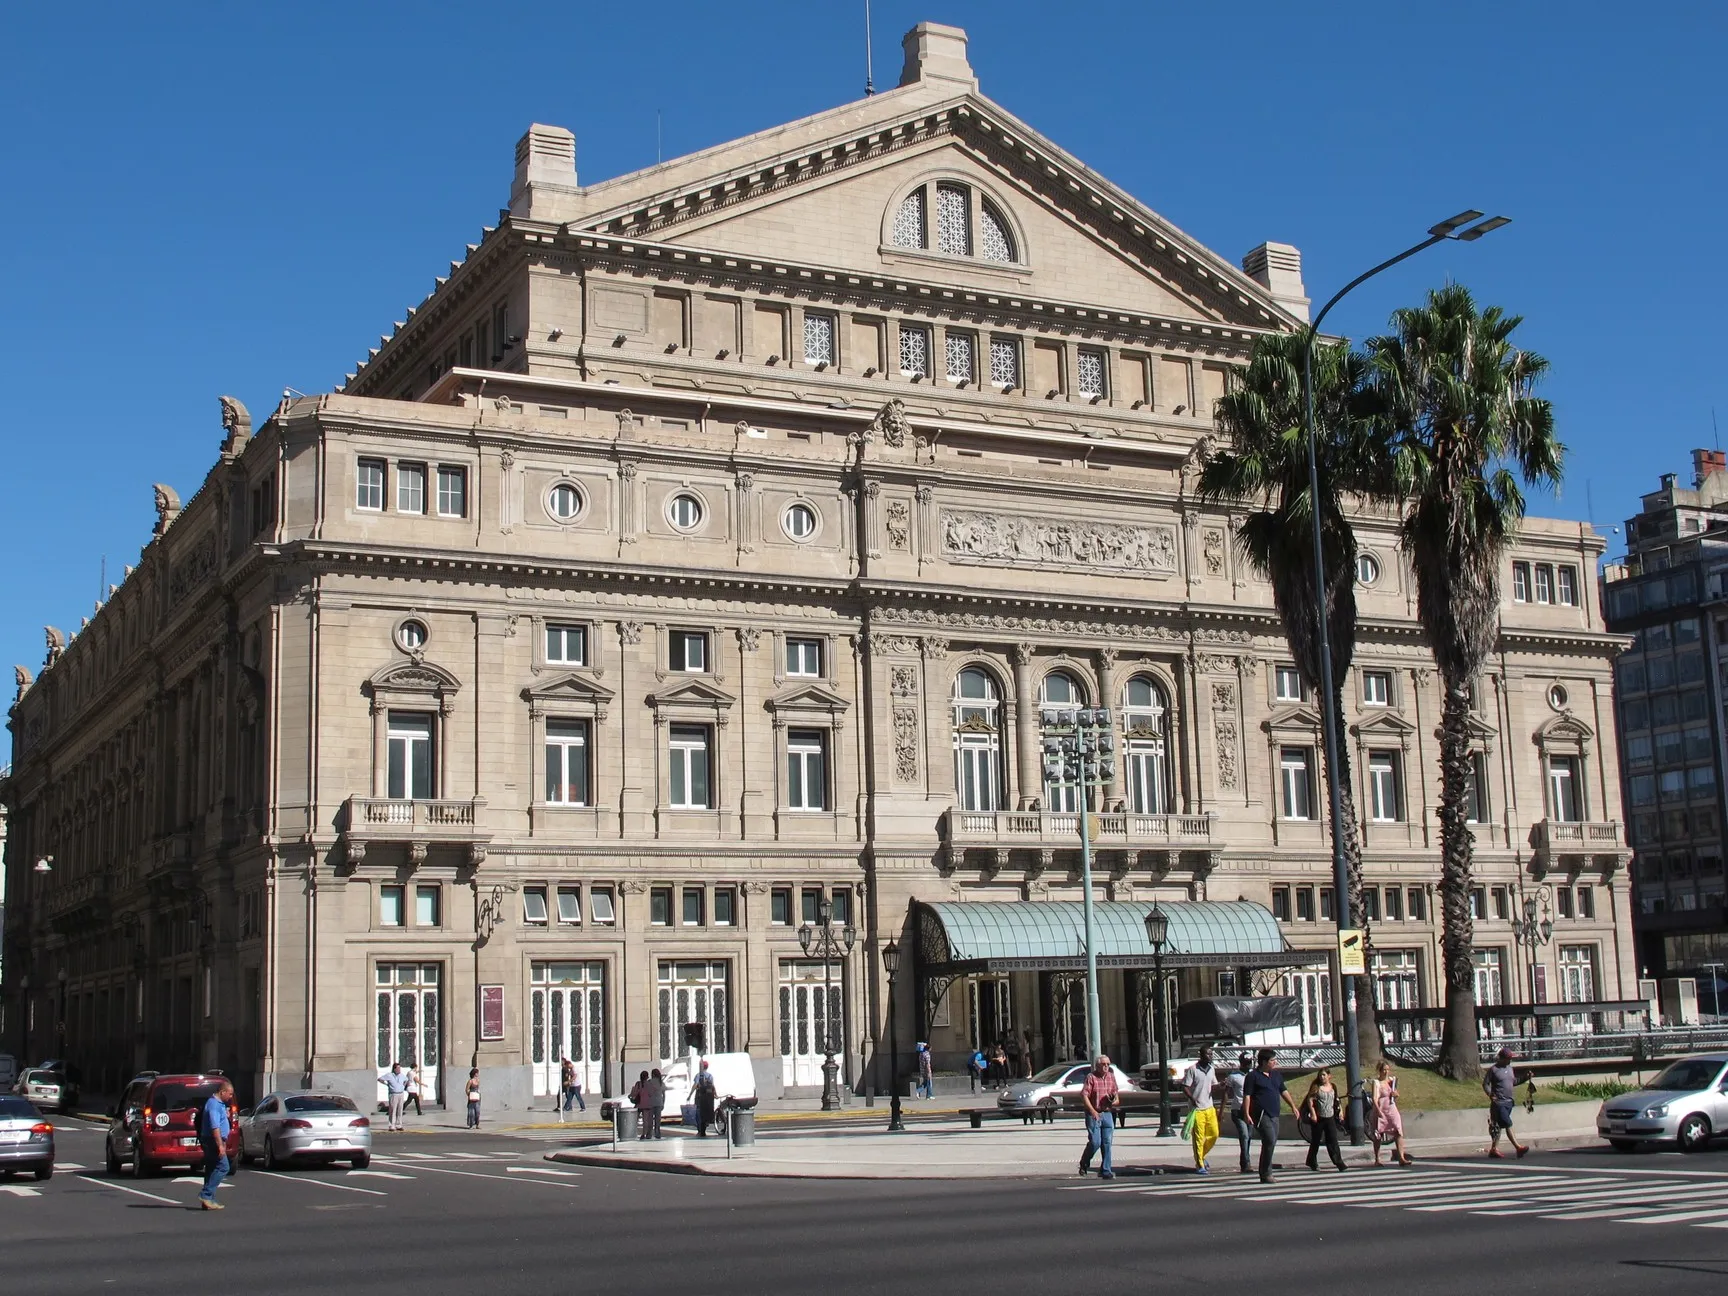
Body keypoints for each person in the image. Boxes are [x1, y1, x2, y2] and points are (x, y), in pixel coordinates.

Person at [1242, 1048, 1298, 1184]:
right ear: (1264, 1062)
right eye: (1272, 1060)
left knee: (1270, 1142)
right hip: (1261, 1114)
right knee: (1269, 1139)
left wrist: (1293, 1106)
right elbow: (1247, 1096)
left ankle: (1264, 1172)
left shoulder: (1276, 1075)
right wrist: (1246, 1113)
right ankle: (1266, 1173)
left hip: (1274, 1114)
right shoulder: (1253, 1076)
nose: (1275, 1062)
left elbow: (1283, 1091)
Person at [1077, 1054, 1120, 1180]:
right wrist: (1092, 1111)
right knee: (1095, 1142)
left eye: (1108, 1064)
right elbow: (1084, 1095)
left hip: (1107, 1113)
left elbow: (1117, 1097)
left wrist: (1112, 1101)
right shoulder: (1091, 1077)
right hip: (1094, 1113)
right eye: (1104, 1064)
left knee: (1107, 1142)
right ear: (1097, 1065)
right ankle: (1084, 1163)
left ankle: (1106, 1169)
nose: (1106, 1066)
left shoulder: (1111, 1077)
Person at [1484, 1047, 1530, 1160]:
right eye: (1508, 1059)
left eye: (1511, 1059)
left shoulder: (1510, 1068)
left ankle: (1494, 1149)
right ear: (1502, 1058)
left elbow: (1513, 1082)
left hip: (1509, 1102)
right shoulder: (1493, 1070)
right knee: (1508, 1123)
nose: (1510, 1061)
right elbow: (1485, 1084)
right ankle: (1518, 1147)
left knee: (1498, 1126)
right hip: (1498, 1102)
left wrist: (1525, 1078)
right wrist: (1490, 1094)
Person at [196, 1079, 235, 1211]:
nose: (231, 1097)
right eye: (229, 1094)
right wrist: (220, 1145)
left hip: (214, 1140)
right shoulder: (213, 1105)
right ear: (222, 1092)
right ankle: (206, 1194)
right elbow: (215, 1127)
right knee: (224, 1167)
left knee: (212, 1168)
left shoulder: (220, 1104)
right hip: (212, 1141)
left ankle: (208, 1200)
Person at [1182, 1045, 1221, 1174]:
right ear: (1201, 1055)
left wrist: (1221, 1085)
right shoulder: (1193, 1069)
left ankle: (1202, 1156)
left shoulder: (1211, 1069)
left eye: (1211, 1054)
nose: (1210, 1056)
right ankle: (1199, 1164)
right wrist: (1192, 1098)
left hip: (1209, 1107)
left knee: (1214, 1134)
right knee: (1199, 1138)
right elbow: (1185, 1086)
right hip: (1197, 1109)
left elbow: (1213, 1086)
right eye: (1208, 1054)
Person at [1301, 1069, 1347, 1172]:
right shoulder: (1316, 1087)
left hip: (1330, 1117)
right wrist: (1313, 1113)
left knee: (1332, 1140)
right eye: (1320, 1075)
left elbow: (1337, 1100)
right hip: (1319, 1118)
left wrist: (1340, 1112)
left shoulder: (1333, 1087)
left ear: (1329, 1076)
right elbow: (1310, 1100)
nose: (1322, 1077)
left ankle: (1339, 1162)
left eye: (1324, 1075)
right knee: (1316, 1141)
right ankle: (1312, 1161)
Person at [1370, 1060, 1411, 1166]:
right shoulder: (1377, 1082)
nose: (1386, 1072)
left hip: (1391, 1108)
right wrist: (1378, 1110)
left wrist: (1396, 1094)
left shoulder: (1391, 1081)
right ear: (1379, 1071)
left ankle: (1401, 1157)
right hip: (1381, 1109)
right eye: (1384, 1070)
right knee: (1378, 1134)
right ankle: (1377, 1159)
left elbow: (1395, 1093)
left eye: (1387, 1070)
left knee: (1398, 1131)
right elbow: (1374, 1098)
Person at [1224, 1051, 1256, 1174]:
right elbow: (1226, 1093)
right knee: (1244, 1135)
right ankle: (1245, 1163)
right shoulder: (1234, 1076)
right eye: (1246, 1063)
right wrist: (1221, 1111)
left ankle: (1245, 1160)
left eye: (1250, 1062)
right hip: (1237, 1110)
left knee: (1249, 1136)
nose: (1248, 1065)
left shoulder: (1254, 1075)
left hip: (1250, 1110)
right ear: (1241, 1063)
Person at [383, 1062, 411, 1132]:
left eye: (399, 1068)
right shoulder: (389, 1075)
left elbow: (406, 1080)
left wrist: (403, 1086)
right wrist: (387, 1084)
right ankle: (392, 1125)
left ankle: (399, 1125)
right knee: (393, 1109)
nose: (399, 1069)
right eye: (397, 1068)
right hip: (393, 1094)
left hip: (400, 1094)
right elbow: (380, 1079)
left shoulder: (402, 1075)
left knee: (400, 1109)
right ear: (394, 1069)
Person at [693, 1058, 718, 1137]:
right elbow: (713, 1086)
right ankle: (704, 1127)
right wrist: (715, 1094)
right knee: (706, 1112)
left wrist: (690, 1095)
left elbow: (695, 1085)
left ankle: (700, 1130)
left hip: (700, 1097)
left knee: (698, 1113)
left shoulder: (698, 1075)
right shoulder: (710, 1076)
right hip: (708, 1098)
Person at [629, 1069, 652, 1139]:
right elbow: (651, 1094)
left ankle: (632, 1132)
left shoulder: (638, 1084)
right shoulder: (649, 1084)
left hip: (639, 1104)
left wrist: (630, 1096)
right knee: (645, 1121)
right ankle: (644, 1134)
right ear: (647, 1077)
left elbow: (634, 1093)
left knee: (635, 1119)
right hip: (647, 1104)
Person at [646, 1068, 666, 1140]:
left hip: (650, 1103)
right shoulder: (661, 1082)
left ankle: (649, 1134)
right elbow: (664, 1094)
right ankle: (657, 1133)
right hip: (659, 1103)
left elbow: (646, 1093)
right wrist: (663, 1103)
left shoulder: (649, 1082)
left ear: (653, 1074)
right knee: (658, 1120)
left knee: (650, 1120)